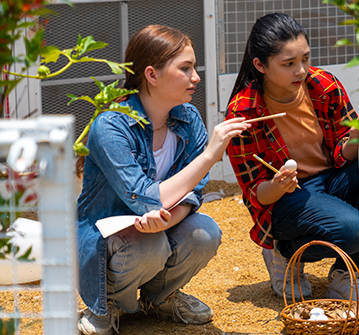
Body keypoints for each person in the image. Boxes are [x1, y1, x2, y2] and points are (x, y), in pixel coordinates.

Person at [76, 25, 250, 335]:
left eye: (193, 67)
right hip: (110, 238)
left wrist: (170, 220)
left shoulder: (188, 117)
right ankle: (108, 303)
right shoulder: (111, 126)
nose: (196, 76)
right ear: (152, 75)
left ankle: (160, 299)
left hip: (158, 227)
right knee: (149, 243)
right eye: (185, 68)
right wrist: (210, 155)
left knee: (205, 232)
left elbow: (193, 190)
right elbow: (144, 198)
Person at [225, 13, 359, 311]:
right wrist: (278, 185)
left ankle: (346, 275)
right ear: (260, 65)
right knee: (351, 230)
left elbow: (344, 154)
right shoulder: (244, 113)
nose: (301, 70)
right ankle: (283, 252)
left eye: (305, 59)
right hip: (286, 198)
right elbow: (256, 194)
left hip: (331, 180)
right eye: (288, 64)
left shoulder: (323, 85)